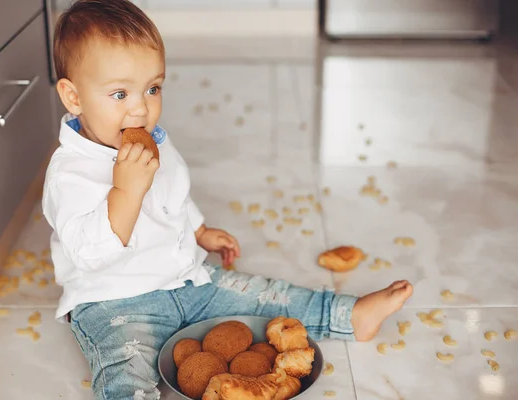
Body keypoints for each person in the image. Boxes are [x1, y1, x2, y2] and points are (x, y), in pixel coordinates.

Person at [43, 1, 413, 398]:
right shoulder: (70, 174)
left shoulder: (155, 143)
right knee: (125, 370)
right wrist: (127, 190)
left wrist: (199, 230)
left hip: (188, 281)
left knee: (265, 295)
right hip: (115, 304)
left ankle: (349, 316)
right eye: (120, 93)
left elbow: (174, 195)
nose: (141, 107)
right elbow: (90, 254)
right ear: (74, 97)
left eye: (152, 88)